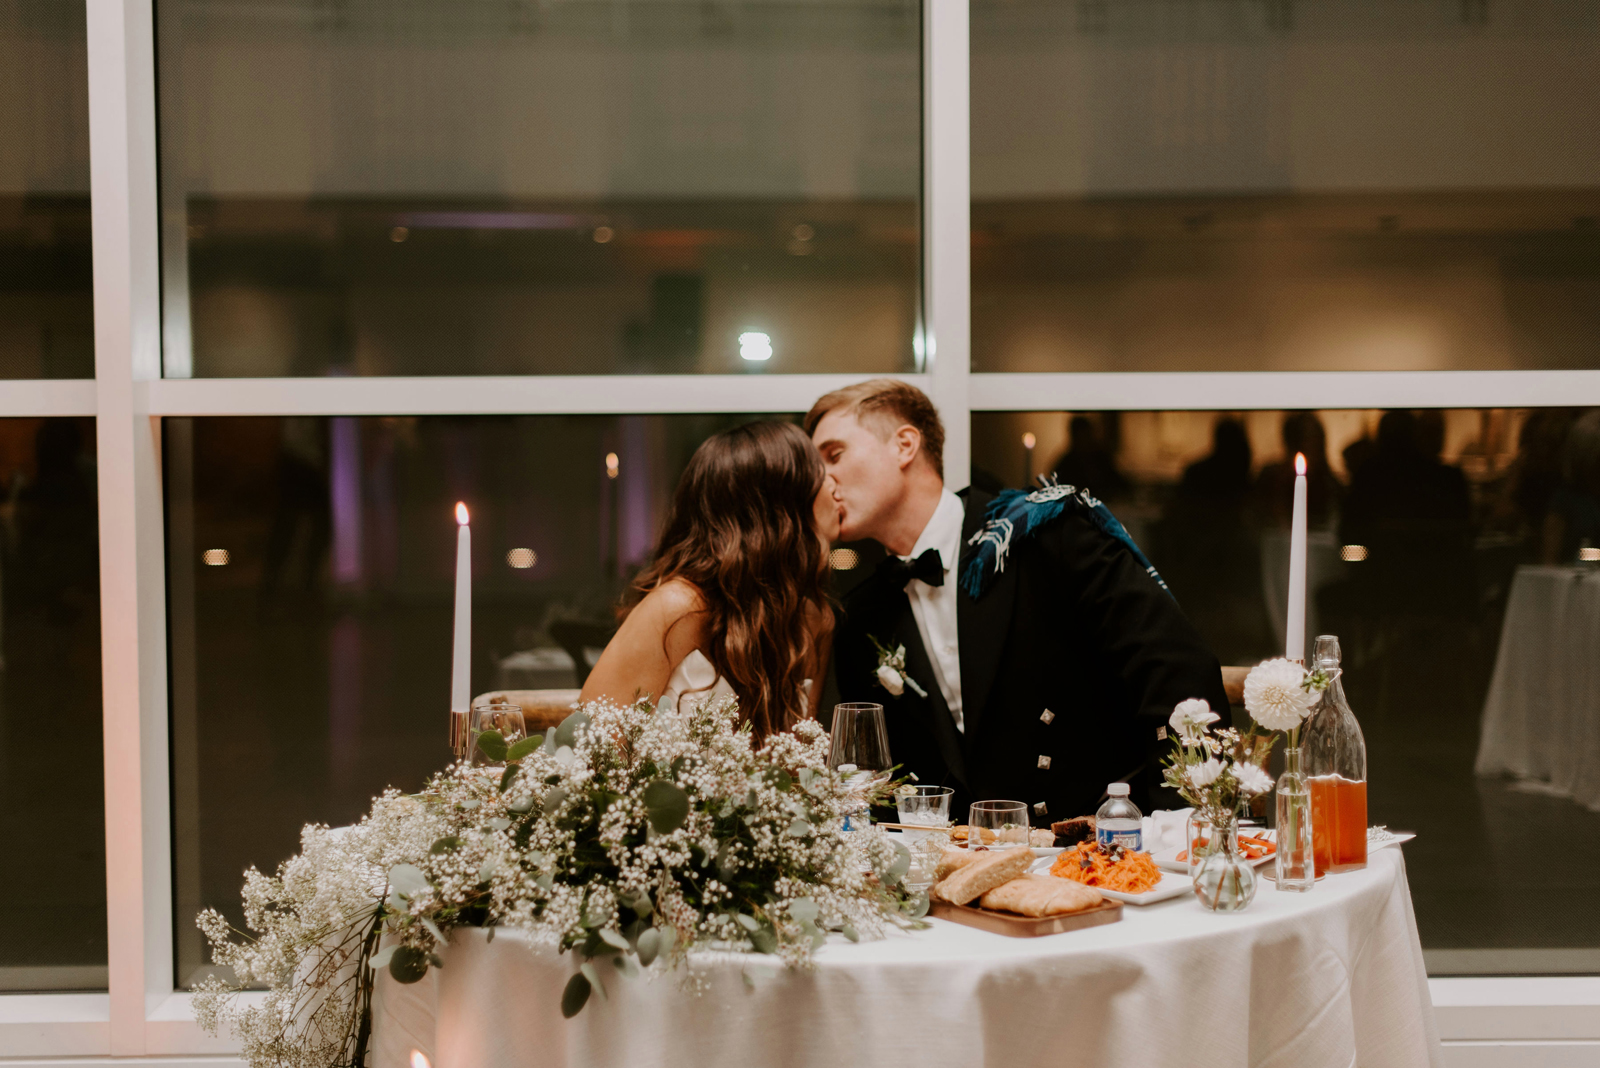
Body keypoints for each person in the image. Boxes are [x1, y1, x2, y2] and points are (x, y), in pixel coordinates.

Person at [809, 379, 1229, 823]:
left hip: (1110, 844)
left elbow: (1176, 671)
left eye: (834, 455)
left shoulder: (1046, 534)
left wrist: (1181, 827)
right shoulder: (863, 616)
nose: (821, 481)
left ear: (905, 445)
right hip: (964, 868)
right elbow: (882, 780)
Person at [581, 421, 840, 742]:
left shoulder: (815, 620)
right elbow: (592, 750)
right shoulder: (677, 608)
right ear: (782, 504)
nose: (835, 485)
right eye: (820, 472)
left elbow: (802, 764)